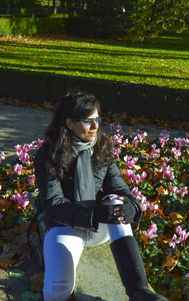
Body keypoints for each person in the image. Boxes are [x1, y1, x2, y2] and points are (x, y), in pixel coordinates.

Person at [34, 91, 168, 301]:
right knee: (56, 291)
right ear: (69, 123)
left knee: (117, 202)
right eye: (88, 121)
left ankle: (139, 291)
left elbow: (120, 188)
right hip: (65, 226)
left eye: (97, 119)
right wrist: (94, 214)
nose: (96, 126)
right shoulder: (48, 154)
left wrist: (130, 208)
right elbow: (53, 204)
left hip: (101, 225)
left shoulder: (103, 148)